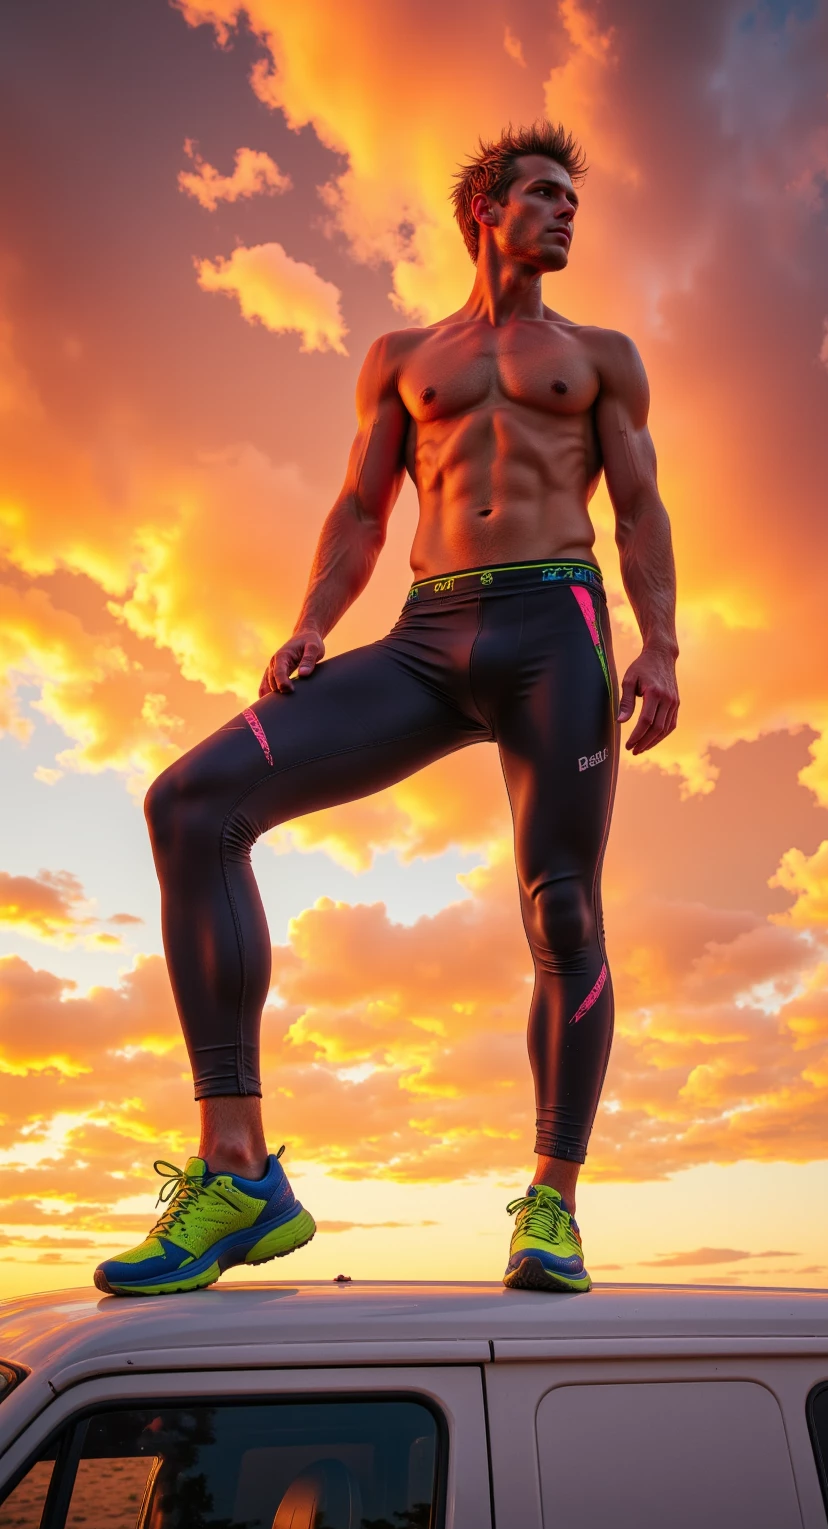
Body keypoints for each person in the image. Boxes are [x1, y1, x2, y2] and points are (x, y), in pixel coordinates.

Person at [94, 122, 679, 1298]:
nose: (567, 210)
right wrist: (313, 619)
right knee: (191, 802)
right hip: (426, 636)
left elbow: (638, 506)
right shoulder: (402, 357)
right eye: (544, 193)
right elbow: (363, 510)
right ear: (486, 208)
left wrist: (660, 643)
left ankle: (552, 1205)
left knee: (562, 908)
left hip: (555, 629)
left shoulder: (600, 355)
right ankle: (238, 1171)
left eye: (573, 197)